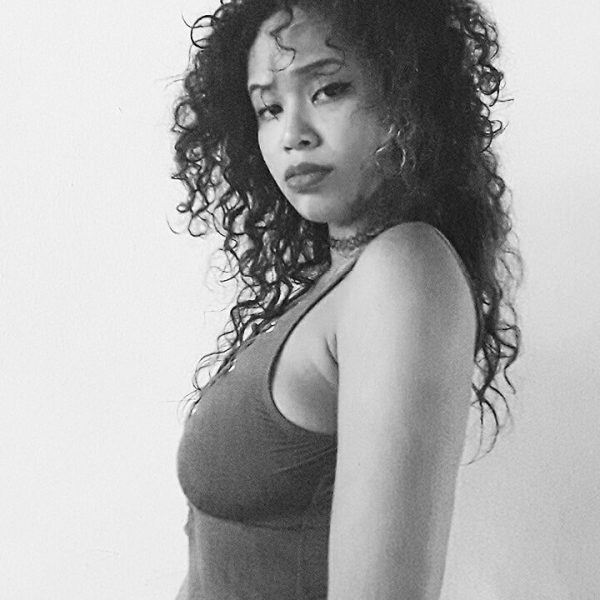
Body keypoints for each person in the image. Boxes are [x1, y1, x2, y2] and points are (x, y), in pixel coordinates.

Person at [172, 0, 521, 598]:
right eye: (269, 108)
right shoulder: (336, 287)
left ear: (409, 94)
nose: (293, 134)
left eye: (328, 90)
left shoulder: (402, 270)